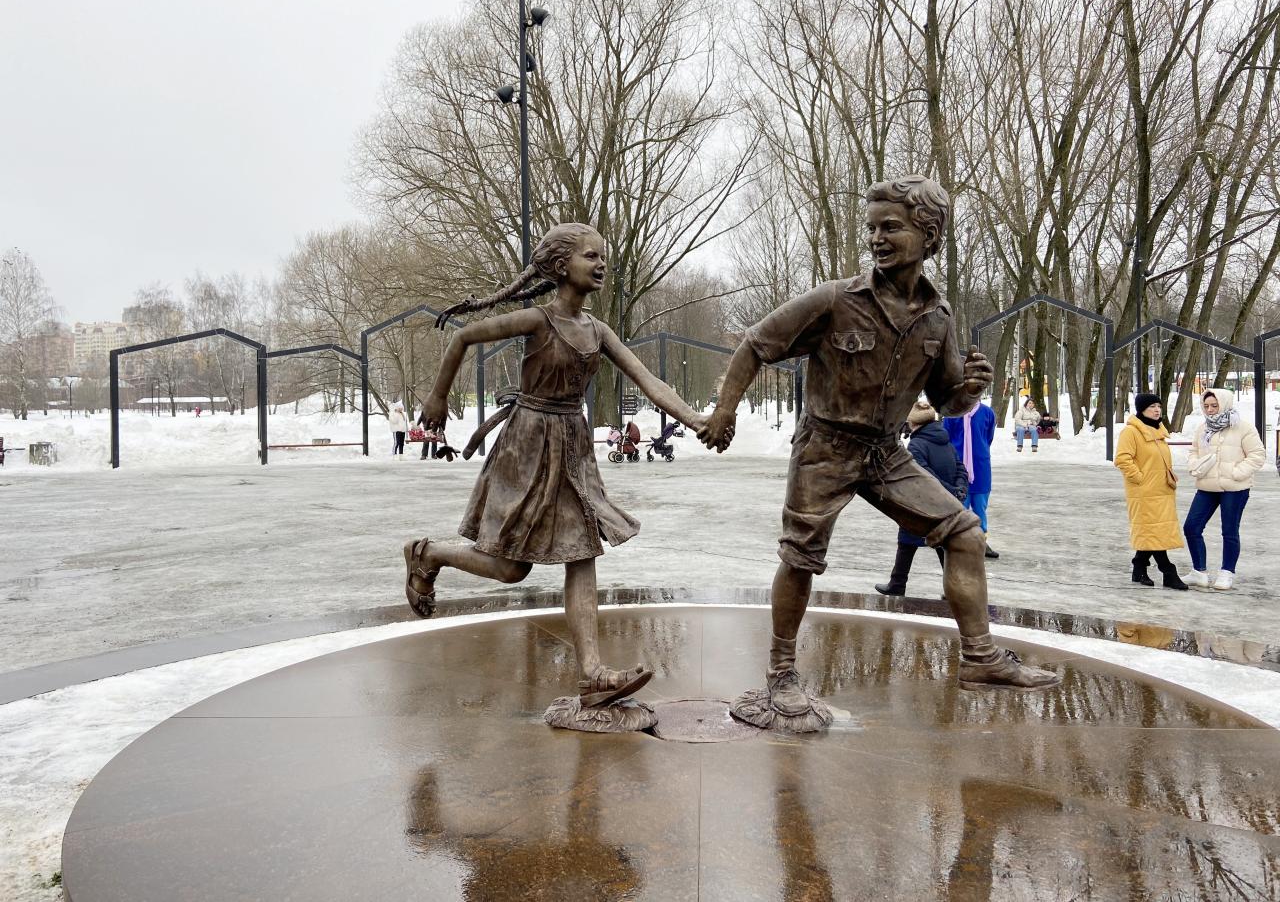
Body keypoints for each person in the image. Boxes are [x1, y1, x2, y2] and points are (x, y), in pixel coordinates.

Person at [701, 175, 1059, 727]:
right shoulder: (835, 299)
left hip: (887, 453)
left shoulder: (938, 317)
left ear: (929, 235)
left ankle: (980, 657)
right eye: (871, 228)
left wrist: (970, 389)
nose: (876, 238)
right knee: (800, 556)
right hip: (825, 448)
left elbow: (947, 401)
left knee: (965, 534)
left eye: (890, 227)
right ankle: (781, 673)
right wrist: (725, 410)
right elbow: (755, 343)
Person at [403, 223, 707, 712]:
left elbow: (649, 382)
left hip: (573, 446)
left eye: (603, 256)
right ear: (562, 266)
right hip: (526, 446)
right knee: (510, 568)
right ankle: (428, 554)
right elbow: (462, 337)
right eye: (591, 256)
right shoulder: (537, 320)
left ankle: (593, 674)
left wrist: (697, 420)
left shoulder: (598, 331)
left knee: (581, 550)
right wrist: (437, 397)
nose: (602, 264)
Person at [876, 400, 968, 597]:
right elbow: (960, 467)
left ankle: (897, 584)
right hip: (947, 505)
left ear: (913, 423)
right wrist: (959, 489)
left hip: (922, 504)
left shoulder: (917, 444)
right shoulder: (945, 441)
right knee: (941, 546)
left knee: (907, 543)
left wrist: (949, 491)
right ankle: (954, 589)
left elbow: (925, 476)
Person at [1183, 388, 1265, 591]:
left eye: (1214, 405)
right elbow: (1194, 451)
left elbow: (1257, 455)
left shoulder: (1243, 428)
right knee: (1191, 527)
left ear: (1225, 404)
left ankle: (1227, 572)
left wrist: (1236, 472)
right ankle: (1199, 572)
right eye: (1206, 406)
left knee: (1229, 531)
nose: (1210, 410)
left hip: (1235, 489)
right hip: (1207, 486)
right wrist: (1194, 465)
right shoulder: (1203, 428)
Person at [1113, 394, 1187, 590]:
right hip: (1144, 493)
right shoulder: (1131, 432)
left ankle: (1139, 568)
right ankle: (1168, 571)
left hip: (1161, 491)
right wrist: (1140, 478)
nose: (1157, 410)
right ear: (1142, 409)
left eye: (1159, 406)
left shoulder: (1157, 431)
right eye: (1152, 406)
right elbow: (1122, 459)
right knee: (1153, 532)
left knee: (1153, 531)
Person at [942, 398, 999, 558]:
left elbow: (988, 438)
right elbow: (946, 439)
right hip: (958, 468)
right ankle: (958, 542)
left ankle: (981, 542)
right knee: (959, 508)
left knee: (980, 507)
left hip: (980, 467)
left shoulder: (987, 413)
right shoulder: (952, 414)